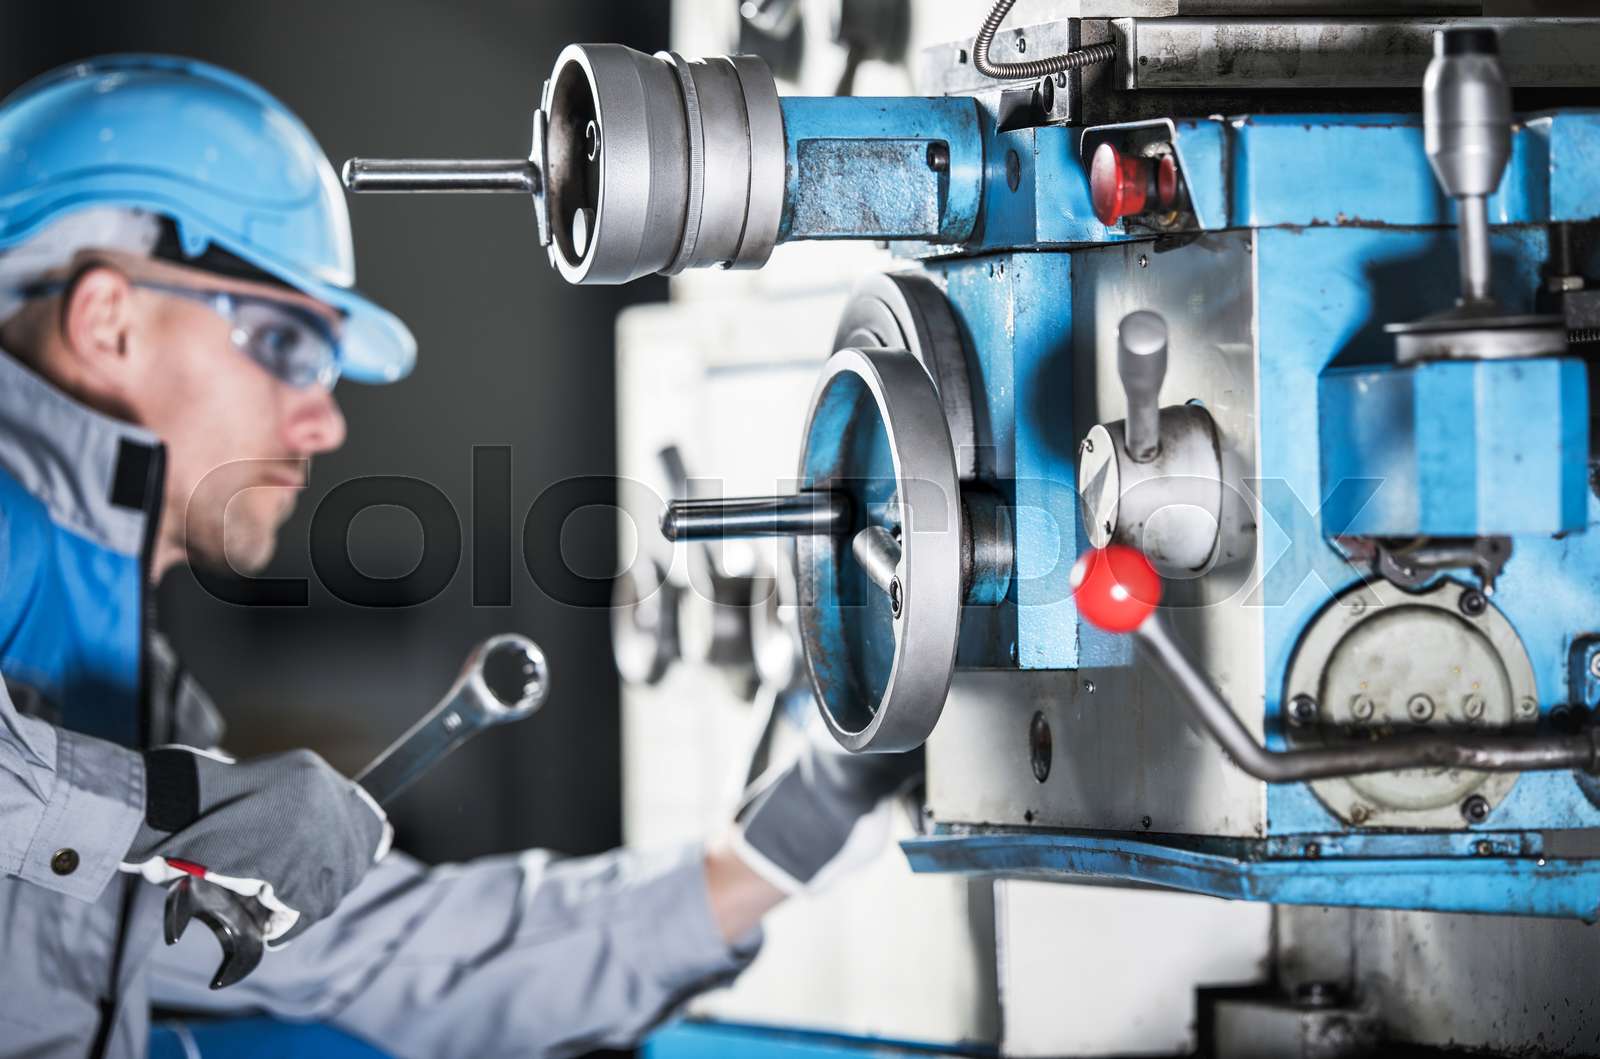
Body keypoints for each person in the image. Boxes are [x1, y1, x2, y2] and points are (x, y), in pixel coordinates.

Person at [0, 55, 916, 1059]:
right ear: (107, 321)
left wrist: (784, 840)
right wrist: (171, 808)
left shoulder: (123, 685)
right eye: (286, 347)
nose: (322, 421)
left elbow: (395, 957)